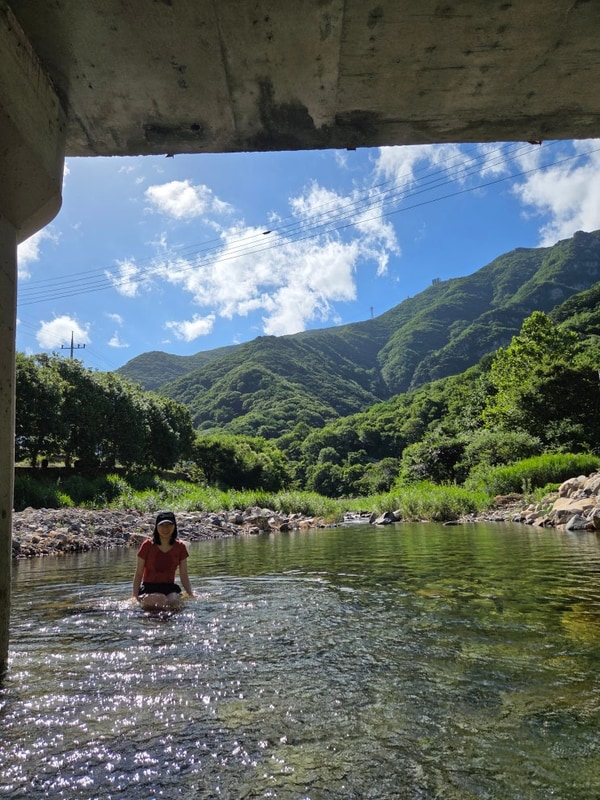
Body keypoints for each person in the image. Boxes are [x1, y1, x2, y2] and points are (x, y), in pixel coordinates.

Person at [132, 510, 194, 610]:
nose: (166, 528)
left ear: (174, 526)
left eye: (169, 525)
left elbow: (184, 575)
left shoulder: (180, 547)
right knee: (160, 599)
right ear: (156, 527)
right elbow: (139, 574)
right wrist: (134, 596)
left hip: (169, 588)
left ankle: (169, 623)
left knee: (174, 600)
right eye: (162, 525)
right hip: (149, 588)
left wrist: (190, 593)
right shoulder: (147, 545)